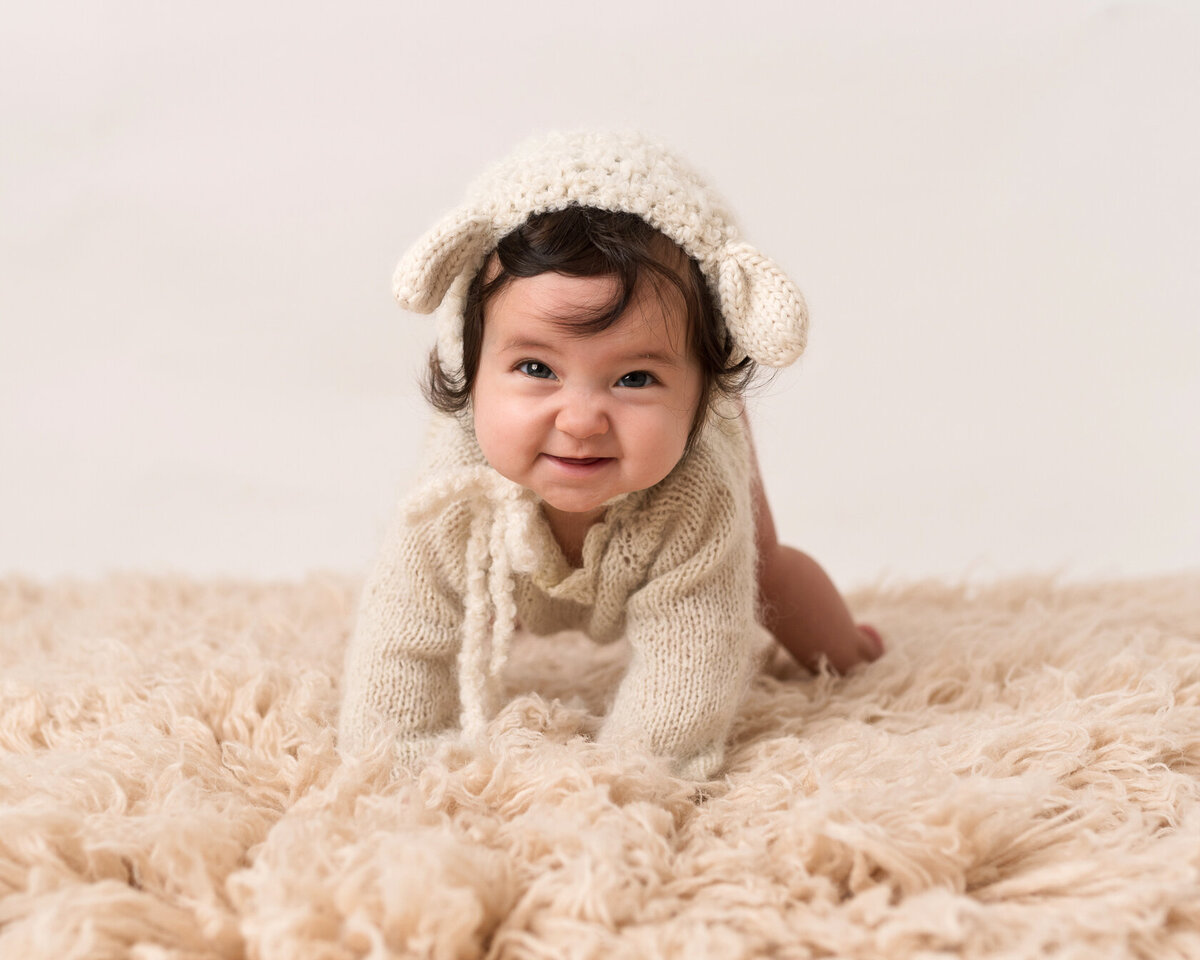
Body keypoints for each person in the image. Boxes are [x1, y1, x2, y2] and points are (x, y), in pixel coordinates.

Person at [339, 131, 883, 780]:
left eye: (633, 379)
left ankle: (849, 646)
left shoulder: (697, 494)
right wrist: (396, 760)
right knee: (473, 599)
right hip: (508, 526)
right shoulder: (453, 495)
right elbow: (401, 640)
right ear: (472, 367)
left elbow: (690, 669)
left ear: (704, 394)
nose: (580, 420)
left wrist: (633, 779)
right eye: (536, 366)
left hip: (689, 481)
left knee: (764, 569)